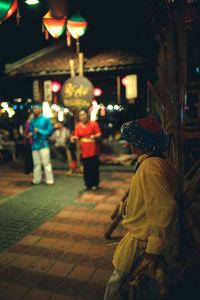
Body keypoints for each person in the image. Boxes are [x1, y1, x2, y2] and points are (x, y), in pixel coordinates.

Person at [104, 116, 178, 300]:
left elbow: (163, 208)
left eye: (132, 142)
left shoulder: (149, 168)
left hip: (142, 239)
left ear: (140, 145)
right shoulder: (158, 162)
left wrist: (154, 246)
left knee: (116, 283)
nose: (130, 146)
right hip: (144, 236)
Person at [71, 109, 102, 191]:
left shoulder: (93, 123)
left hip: (93, 148)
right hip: (84, 149)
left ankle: (95, 184)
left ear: (87, 115)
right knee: (86, 167)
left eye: (84, 115)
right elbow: (77, 136)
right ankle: (87, 184)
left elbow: (99, 134)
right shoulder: (78, 126)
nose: (82, 117)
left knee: (94, 167)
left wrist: (94, 136)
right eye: (80, 115)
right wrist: (73, 138)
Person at [28, 104, 54, 186]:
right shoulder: (32, 121)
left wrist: (40, 131)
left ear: (40, 109)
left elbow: (50, 131)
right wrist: (30, 134)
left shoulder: (46, 120)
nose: (34, 110)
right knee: (36, 163)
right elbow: (31, 131)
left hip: (43, 143)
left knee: (46, 163)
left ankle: (49, 180)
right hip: (34, 144)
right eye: (33, 109)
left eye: (36, 108)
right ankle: (36, 179)